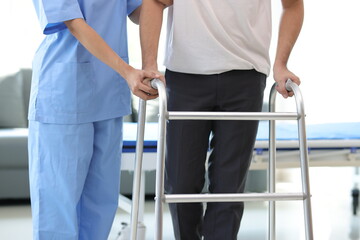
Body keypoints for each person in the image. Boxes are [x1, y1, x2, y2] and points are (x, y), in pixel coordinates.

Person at [140, 0, 304, 239]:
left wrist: (281, 64)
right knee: (180, 183)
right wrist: (149, 65)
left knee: (230, 185)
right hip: (186, 75)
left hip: (246, 75)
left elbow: (293, 5)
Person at [28, 0, 161, 239]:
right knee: (58, 207)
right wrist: (127, 71)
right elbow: (74, 23)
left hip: (108, 94)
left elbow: (141, 10)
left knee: (101, 204)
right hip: (65, 94)